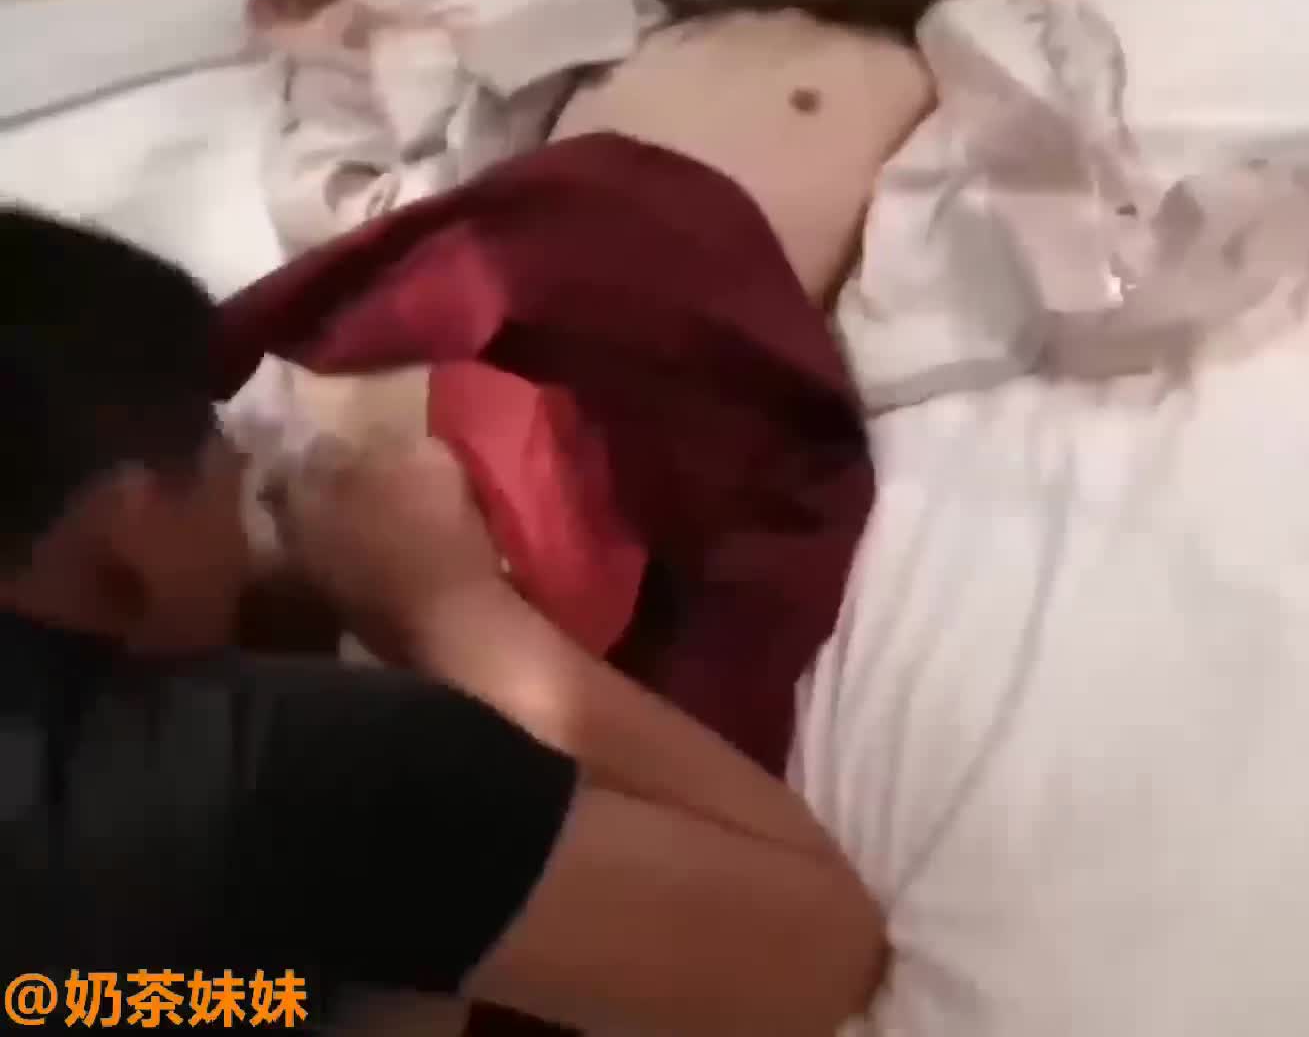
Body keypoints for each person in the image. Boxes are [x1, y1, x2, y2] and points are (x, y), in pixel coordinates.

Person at [0, 206, 887, 1034]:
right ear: (131, 535)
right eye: (211, 434)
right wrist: (456, 614)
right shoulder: (264, 776)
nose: (240, 466)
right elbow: (822, 955)